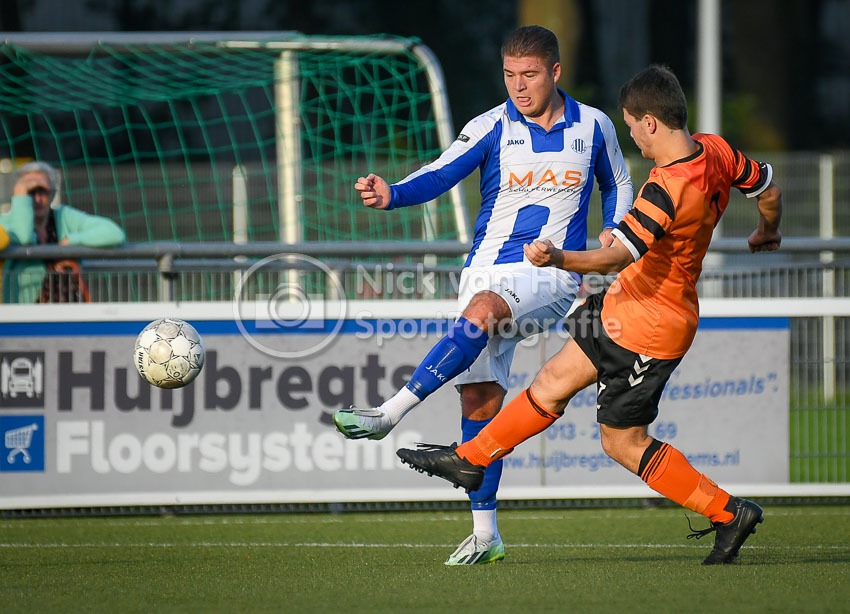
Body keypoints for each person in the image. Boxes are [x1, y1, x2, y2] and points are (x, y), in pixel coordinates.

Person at [397, 64, 783, 566]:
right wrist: (766, 231)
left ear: (649, 122)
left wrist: (557, 258)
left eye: (631, 126)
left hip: (651, 327)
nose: (631, 137)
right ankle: (470, 459)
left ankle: (728, 512)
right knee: (551, 381)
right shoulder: (716, 150)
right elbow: (768, 188)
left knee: (622, 443)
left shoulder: (665, 188)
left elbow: (615, 256)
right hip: (623, 305)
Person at [333, 25, 633, 565]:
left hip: (550, 274)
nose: (519, 86)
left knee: (484, 311)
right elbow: (442, 172)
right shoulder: (491, 125)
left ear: (555, 72)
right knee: (480, 401)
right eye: (510, 75)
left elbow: (618, 182)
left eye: (530, 75)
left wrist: (614, 229)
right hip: (483, 270)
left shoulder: (594, 125)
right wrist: (392, 193)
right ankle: (485, 533)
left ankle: (390, 413)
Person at [0, 161, 126, 303]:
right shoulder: (5, 223)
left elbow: (114, 233)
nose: (37, 199)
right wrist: (21, 192)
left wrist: (71, 241)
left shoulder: (64, 216)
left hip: (68, 308)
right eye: (30, 192)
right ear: (18, 195)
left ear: (53, 194)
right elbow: (25, 237)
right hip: (21, 312)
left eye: (43, 191)